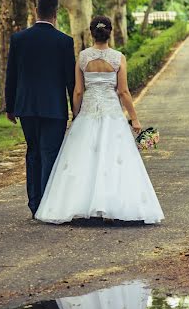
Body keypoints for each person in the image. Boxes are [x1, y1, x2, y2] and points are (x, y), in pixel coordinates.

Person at [35, 15, 164, 224]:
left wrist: (76, 115)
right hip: (112, 113)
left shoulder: (83, 57)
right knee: (114, 159)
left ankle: (79, 206)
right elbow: (123, 91)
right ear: (110, 32)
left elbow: (78, 91)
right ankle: (113, 207)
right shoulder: (118, 58)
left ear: (91, 33)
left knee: (84, 158)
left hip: (88, 112)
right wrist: (135, 118)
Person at [5, 0, 75, 219]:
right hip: (54, 109)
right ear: (56, 13)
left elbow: (12, 75)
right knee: (49, 154)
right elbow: (70, 80)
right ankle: (47, 204)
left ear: (36, 11)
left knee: (33, 152)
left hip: (26, 107)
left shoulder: (19, 39)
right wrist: (76, 109)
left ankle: (35, 205)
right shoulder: (64, 41)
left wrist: (10, 106)